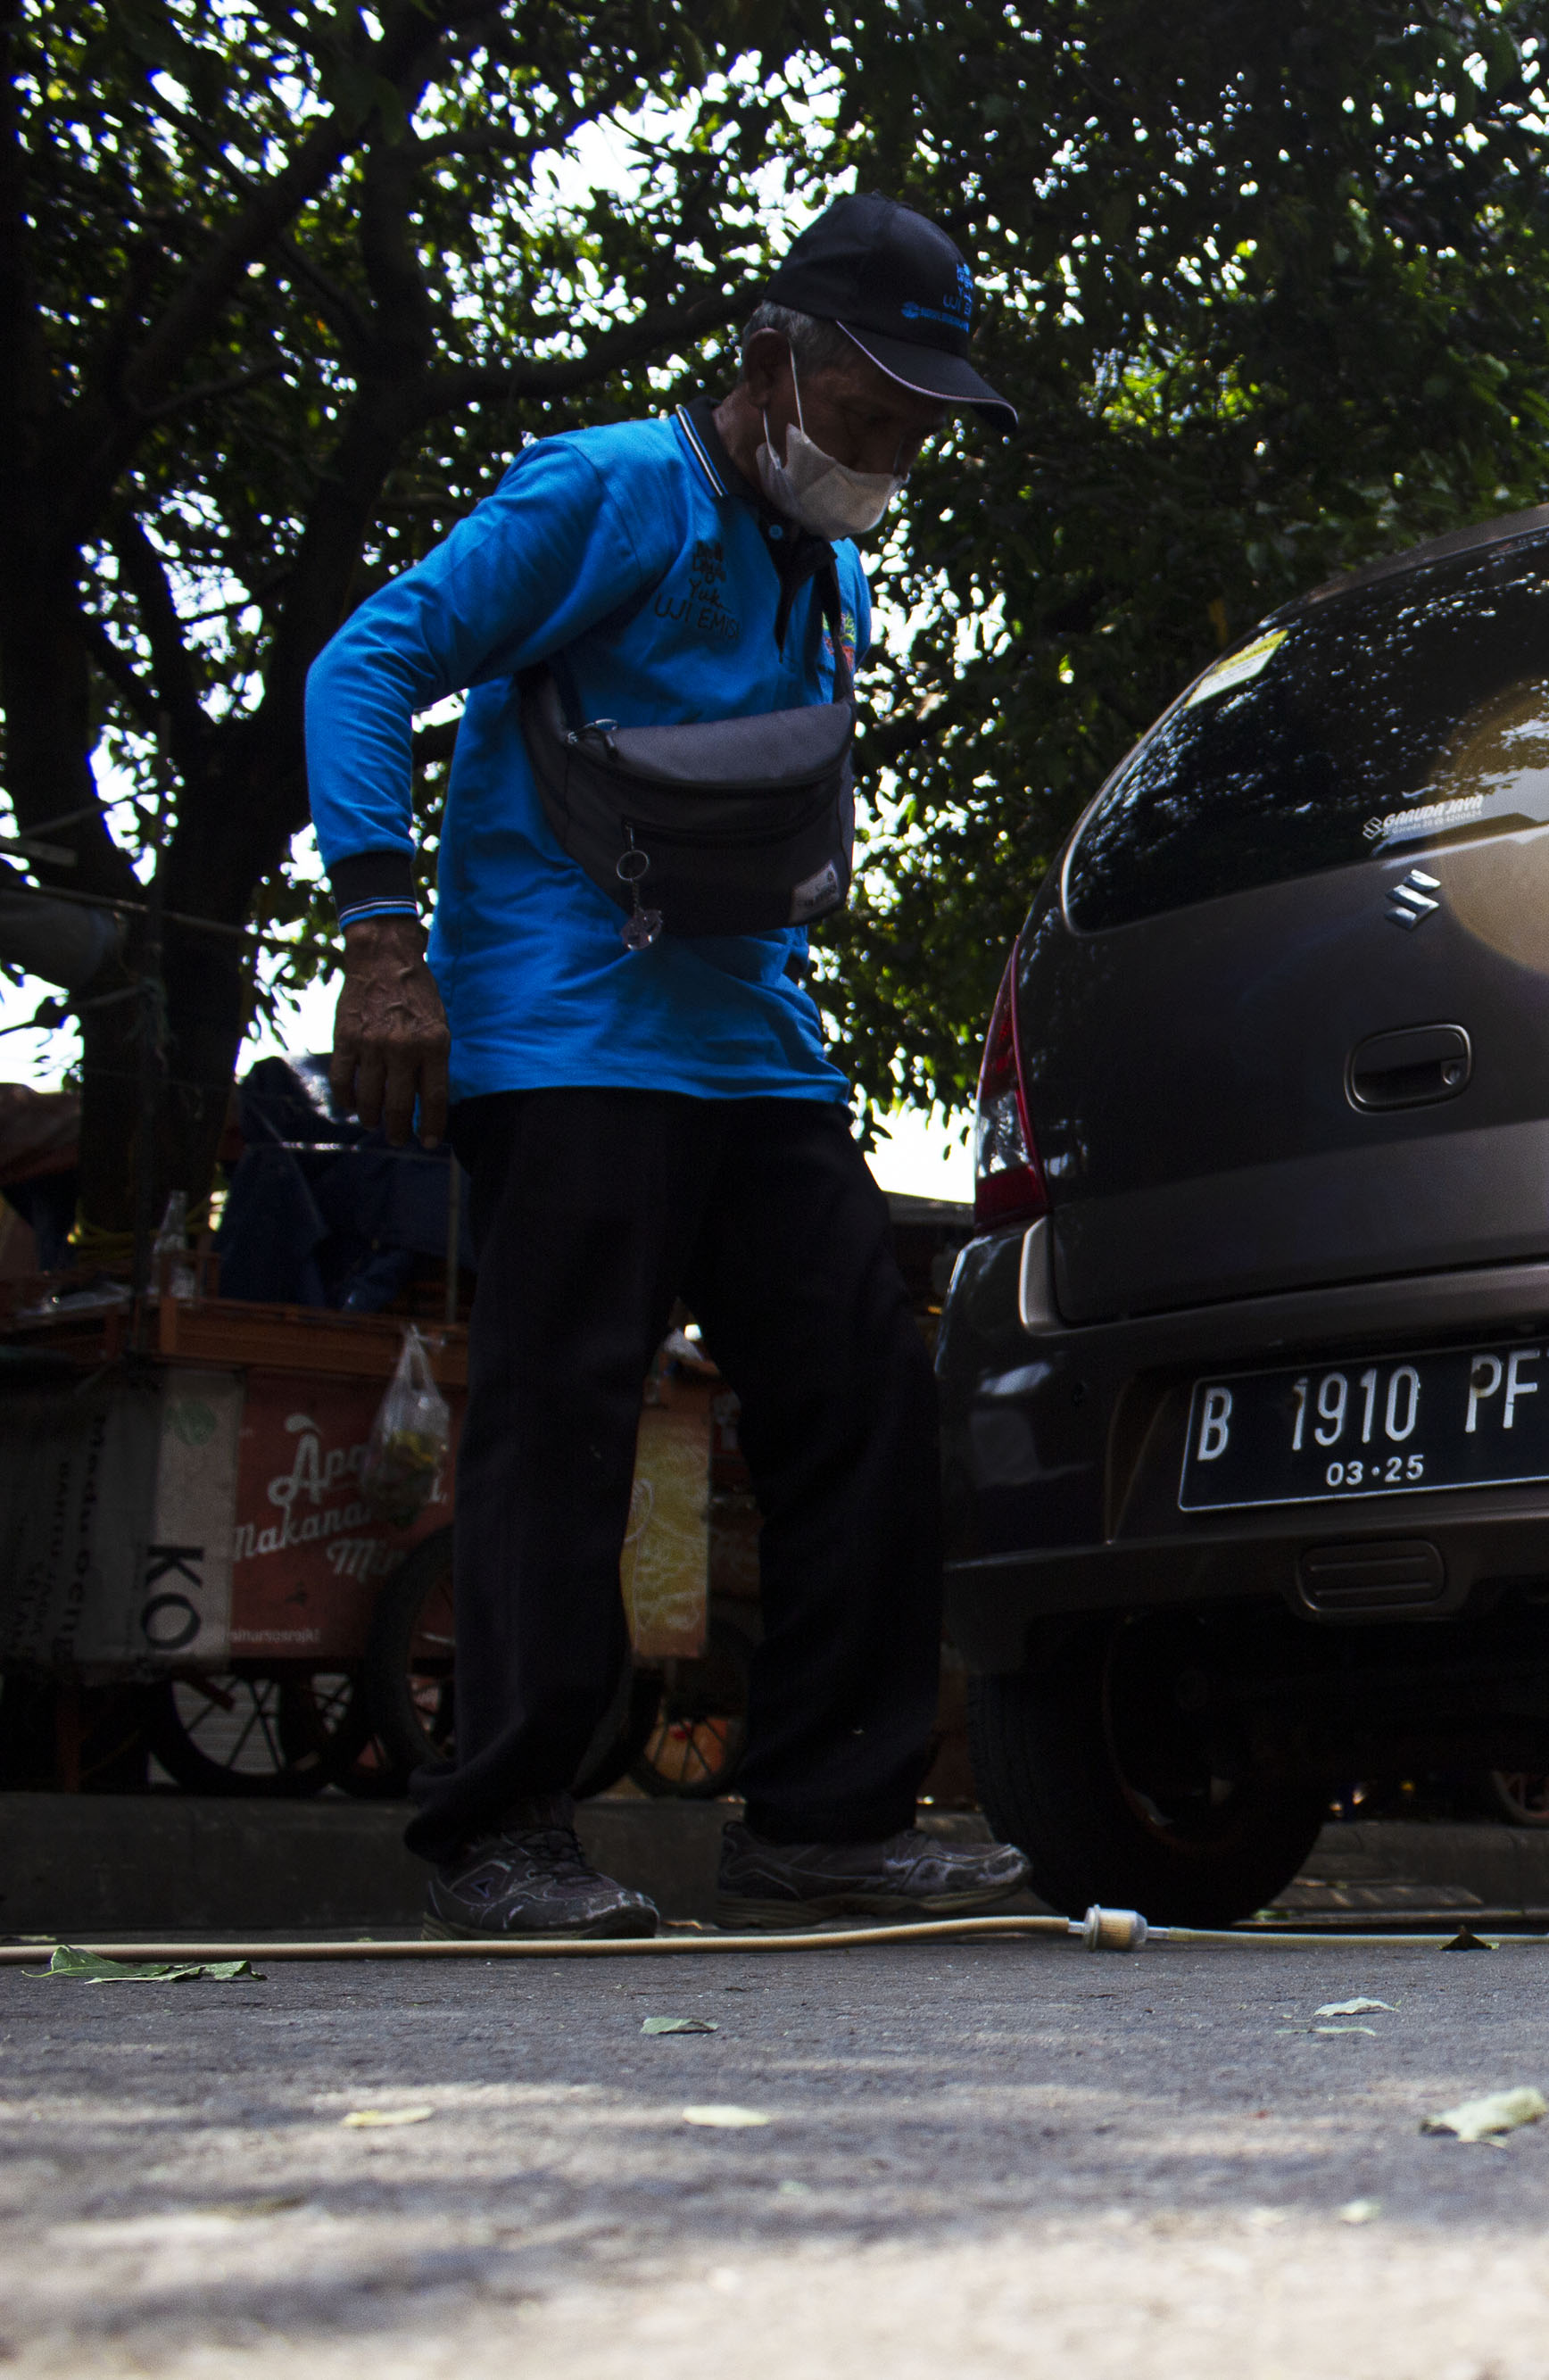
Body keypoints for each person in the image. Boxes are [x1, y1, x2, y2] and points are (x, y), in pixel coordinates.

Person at [308, 195, 1034, 1939]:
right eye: (867, 415)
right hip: (570, 1028)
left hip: (753, 1050)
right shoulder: (609, 489)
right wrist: (383, 941)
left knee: (863, 1397)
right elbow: (367, 660)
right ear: (772, 362)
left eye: (917, 433)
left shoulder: (832, 569)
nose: (888, 459)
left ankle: (826, 1824)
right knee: (565, 1416)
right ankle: (502, 1835)